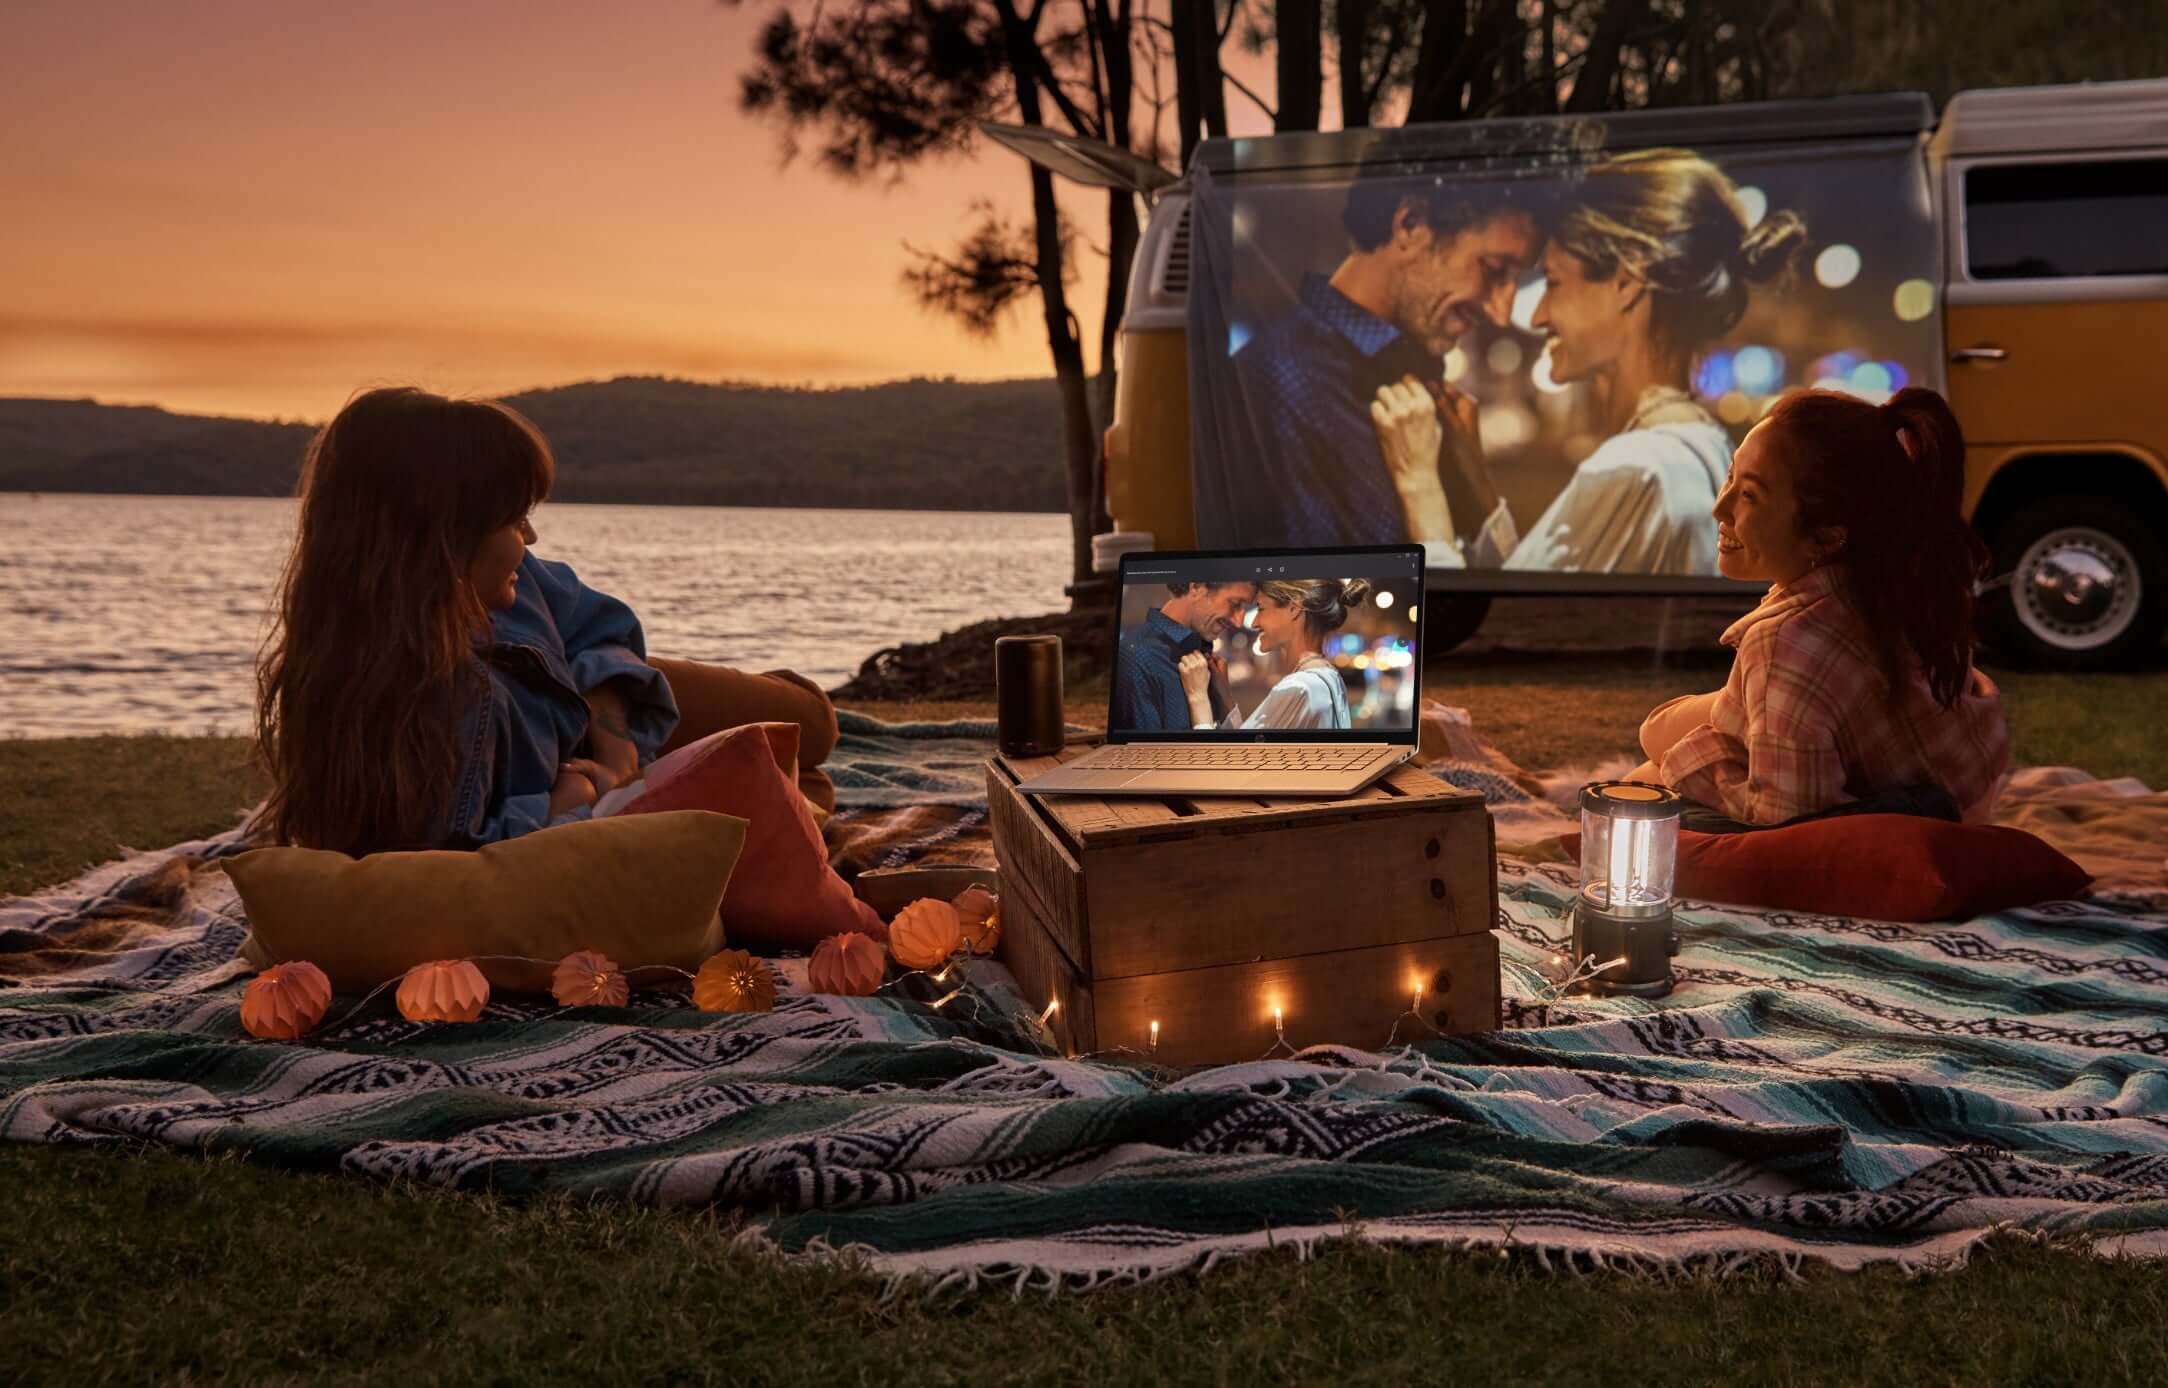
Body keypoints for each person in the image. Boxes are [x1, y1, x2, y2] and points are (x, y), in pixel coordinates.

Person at [251, 387, 840, 856]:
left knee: (812, 723)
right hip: (581, 757)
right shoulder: (427, 705)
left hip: (604, 692)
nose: (530, 537)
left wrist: (613, 748)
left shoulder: (512, 577)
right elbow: (459, 860)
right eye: (514, 520)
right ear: (440, 543)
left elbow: (596, 623)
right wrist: (583, 794)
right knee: (801, 790)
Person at [1372, 149, 1805, 575]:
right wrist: (1479, 486)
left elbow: (1507, 639)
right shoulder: (1704, 449)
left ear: (1626, 282)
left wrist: (1420, 485)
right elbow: (1532, 597)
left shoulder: (1636, 469)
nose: (1539, 314)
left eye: (1555, 282)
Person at [1630, 386, 2009, 827]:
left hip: (1916, 827)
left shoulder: (1788, 642)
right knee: (1659, 732)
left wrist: (1689, 763)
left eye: (1749, 495)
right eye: (1731, 476)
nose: (1720, 508)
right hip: (1959, 796)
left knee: (1643, 786)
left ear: (1827, 537)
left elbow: (1787, 821)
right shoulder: (1888, 583)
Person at [1198, 174, 1545, 549]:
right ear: (1410, 225)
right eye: (1494, 269)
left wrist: (1476, 491)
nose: (1502, 313)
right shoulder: (1279, 381)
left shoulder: (1420, 381)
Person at [1177, 578, 1370, 731]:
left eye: (1261, 608)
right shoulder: (1329, 677)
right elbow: (1248, 749)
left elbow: (1230, 769)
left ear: (1294, 609)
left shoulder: (1299, 687)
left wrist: (1198, 698)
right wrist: (1225, 694)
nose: (1254, 623)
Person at [1110, 579, 1257, 732]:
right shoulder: (1138, 658)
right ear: (1196, 588)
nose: (1239, 622)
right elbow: (1144, 753)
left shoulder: (1204, 653)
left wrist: (1224, 700)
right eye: (1235, 603)